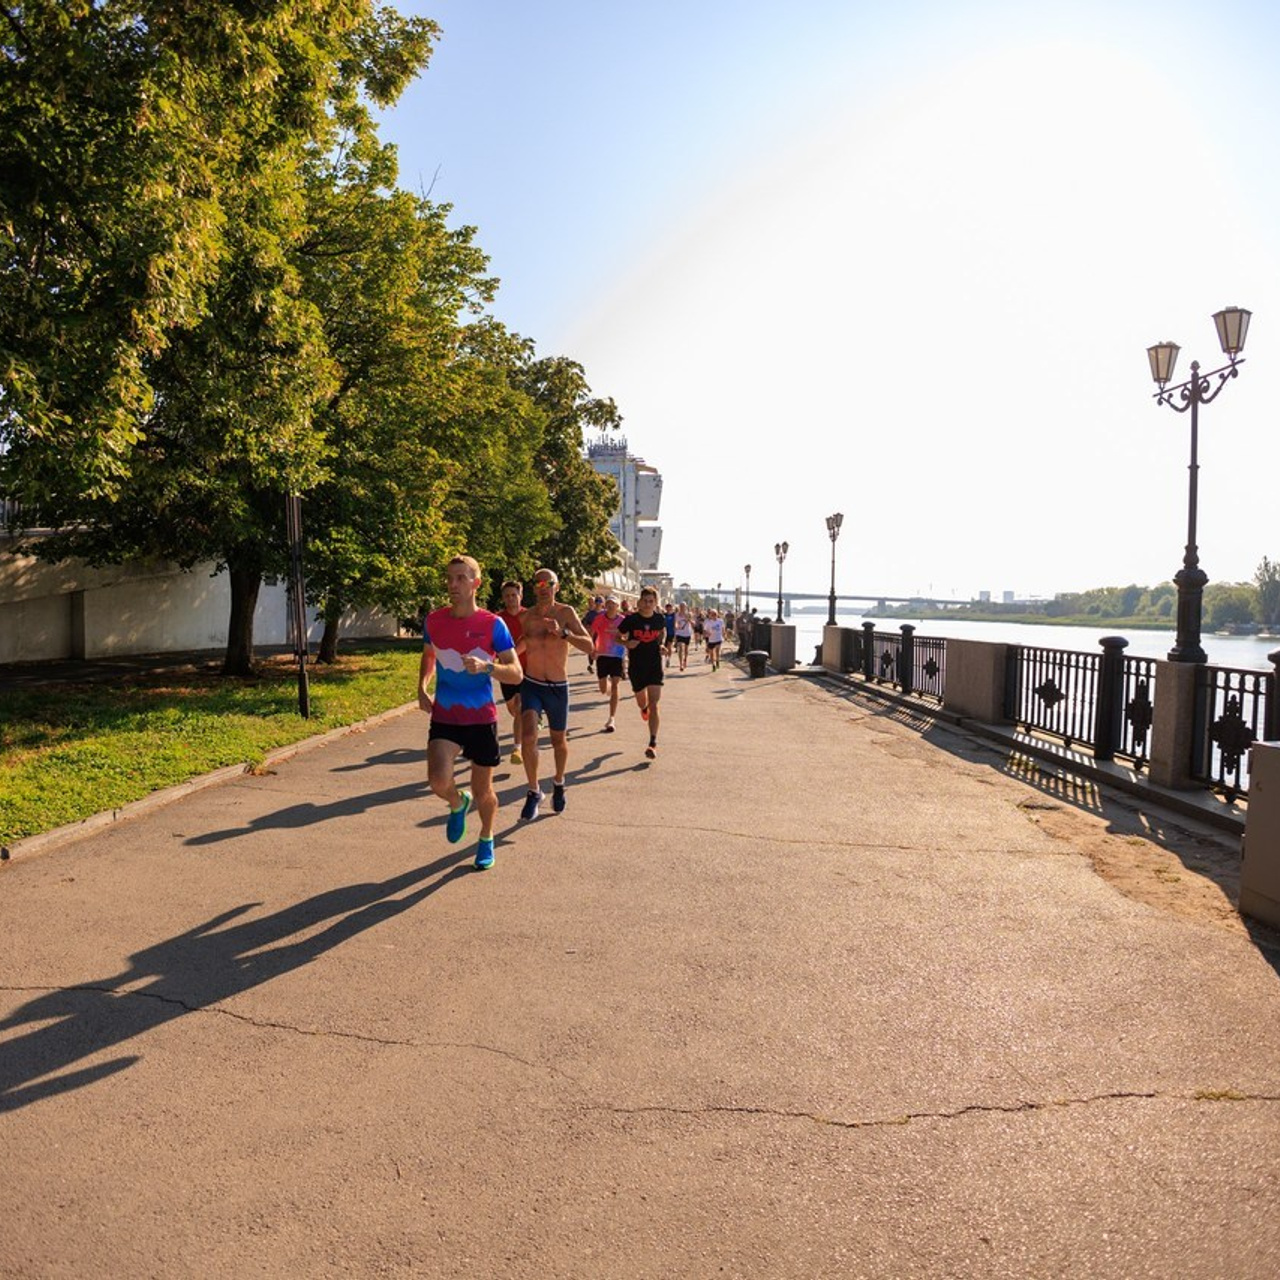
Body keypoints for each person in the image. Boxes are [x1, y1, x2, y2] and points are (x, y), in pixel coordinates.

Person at [418, 555, 521, 871]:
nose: (453, 585)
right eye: (450, 578)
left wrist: (488, 666)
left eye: (461, 578)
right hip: (446, 716)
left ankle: (487, 836)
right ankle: (455, 802)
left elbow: (516, 673)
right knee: (437, 780)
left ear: (476, 583)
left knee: (483, 791)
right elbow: (429, 656)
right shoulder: (434, 621)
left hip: (481, 719)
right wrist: (422, 686)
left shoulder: (493, 625)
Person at [518, 568, 594, 818]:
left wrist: (564, 633)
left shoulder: (565, 613)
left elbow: (589, 645)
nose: (542, 587)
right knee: (528, 735)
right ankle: (533, 791)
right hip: (532, 683)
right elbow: (520, 644)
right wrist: (499, 658)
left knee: (558, 741)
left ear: (556, 587)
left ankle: (559, 783)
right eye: (538, 583)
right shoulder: (527, 616)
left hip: (558, 687)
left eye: (548, 583)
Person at [618, 586, 670, 759]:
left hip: (654, 665)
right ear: (640, 602)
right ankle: (643, 708)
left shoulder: (659, 619)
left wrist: (663, 646)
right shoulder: (631, 620)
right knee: (643, 703)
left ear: (655, 603)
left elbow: (664, 633)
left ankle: (652, 743)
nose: (648, 604)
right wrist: (626, 643)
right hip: (636, 667)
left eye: (651, 601)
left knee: (655, 704)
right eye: (645, 601)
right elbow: (617, 636)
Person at [496, 579, 526, 765]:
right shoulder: (497, 619)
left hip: (527, 670)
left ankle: (517, 749)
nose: (511, 599)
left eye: (514, 595)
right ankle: (530, 720)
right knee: (513, 710)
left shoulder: (529, 616)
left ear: (520, 596)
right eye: (507, 596)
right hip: (505, 670)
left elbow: (530, 640)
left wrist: (513, 654)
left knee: (521, 709)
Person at [591, 594, 627, 731]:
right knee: (602, 689)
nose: (611, 606)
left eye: (614, 604)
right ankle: (607, 684)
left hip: (617, 656)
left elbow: (628, 635)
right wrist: (592, 649)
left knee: (616, 686)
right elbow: (592, 633)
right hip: (602, 654)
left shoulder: (623, 620)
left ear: (618, 607)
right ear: (606, 605)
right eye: (609, 603)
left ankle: (612, 718)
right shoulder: (599, 618)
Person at [581, 595, 603, 675]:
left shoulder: (605, 613)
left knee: (601, 650)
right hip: (592, 634)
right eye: (597, 601)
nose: (598, 603)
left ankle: (600, 665)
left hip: (602, 635)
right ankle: (590, 665)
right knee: (592, 649)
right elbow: (584, 623)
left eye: (600, 601)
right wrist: (588, 627)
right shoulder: (590, 614)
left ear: (602, 603)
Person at [672, 602, 693, 671]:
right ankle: (680, 664)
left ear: (686, 607)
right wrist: (676, 626)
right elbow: (675, 622)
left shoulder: (689, 614)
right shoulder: (677, 615)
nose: (682, 608)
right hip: (679, 633)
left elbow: (693, 623)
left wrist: (689, 619)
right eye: (681, 606)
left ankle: (685, 660)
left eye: (683, 606)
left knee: (686, 649)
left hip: (687, 633)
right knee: (680, 647)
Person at [662, 601, 677, 669]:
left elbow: (675, 624)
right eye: (667, 607)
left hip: (671, 632)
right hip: (665, 632)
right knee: (665, 647)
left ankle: (668, 659)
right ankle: (666, 658)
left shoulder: (674, 615)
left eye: (669, 607)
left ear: (671, 608)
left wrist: (675, 634)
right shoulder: (664, 615)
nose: (668, 609)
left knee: (669, 646)